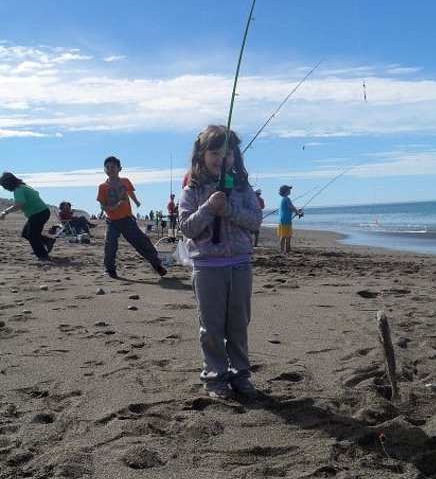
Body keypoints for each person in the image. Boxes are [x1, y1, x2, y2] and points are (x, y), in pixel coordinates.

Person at [178, 125, 262, 400]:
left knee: (238, 324)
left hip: (240, 265)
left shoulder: (242, 187)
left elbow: (254, 221)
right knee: (211, 327)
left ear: (236, 157)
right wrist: (209, 207)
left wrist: (230, 209)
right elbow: (188, 228)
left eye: (227, 153)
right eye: (214, 152)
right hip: (206, 268)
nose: (221, 158)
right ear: (201, 155)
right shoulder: (192, 189)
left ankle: (240, 374)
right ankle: (215, 378)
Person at [96, 156, 167, 279]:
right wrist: (115, 207)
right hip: (112, 222)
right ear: (104, 170)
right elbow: (103, 206)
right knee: (110, 245)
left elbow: (130, 192)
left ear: (119, 169)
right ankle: (110, 270)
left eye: (113, 167)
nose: (110, 169)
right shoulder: (102, 187)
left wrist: (136, 201)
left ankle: (157, 265)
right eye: (107, 167)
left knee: (142, 242)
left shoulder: (125, 181)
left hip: (127, 220)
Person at [0, 171, 55, 261]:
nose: (4, 188)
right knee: (26, 233)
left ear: (8, 184)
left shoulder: (19, 189)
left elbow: (19, 204)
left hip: (39, 213)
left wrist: (5, 212)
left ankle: (43, 256)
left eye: (3, 186)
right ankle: (47, 241)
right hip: (40, 213)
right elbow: (36, 193)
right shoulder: (24, 187)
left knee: (32, 236)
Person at [278, 185, 302, 253]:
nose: (290, 191)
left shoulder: (282, 199)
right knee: (287, 236)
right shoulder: (287, 199)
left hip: (282, 219)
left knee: (283, 235)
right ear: (286, 191)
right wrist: (297, 212)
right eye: (289, 190)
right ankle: (286, 250)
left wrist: (296, 211)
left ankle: (282, 249)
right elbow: (290, 206)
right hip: (286, 220)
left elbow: (288, 208)